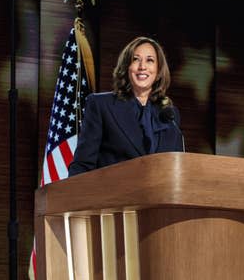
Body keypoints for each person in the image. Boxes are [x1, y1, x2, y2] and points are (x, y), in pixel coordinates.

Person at [68, 36, 184, 176]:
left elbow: (176, 169)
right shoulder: (101, 105)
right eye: (135, 59)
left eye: (150, 60)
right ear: (126, 67)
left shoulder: (169, 114)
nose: (142, 66)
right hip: (113, 195)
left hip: (159, 197)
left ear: (159, 71)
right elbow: (83, 164)